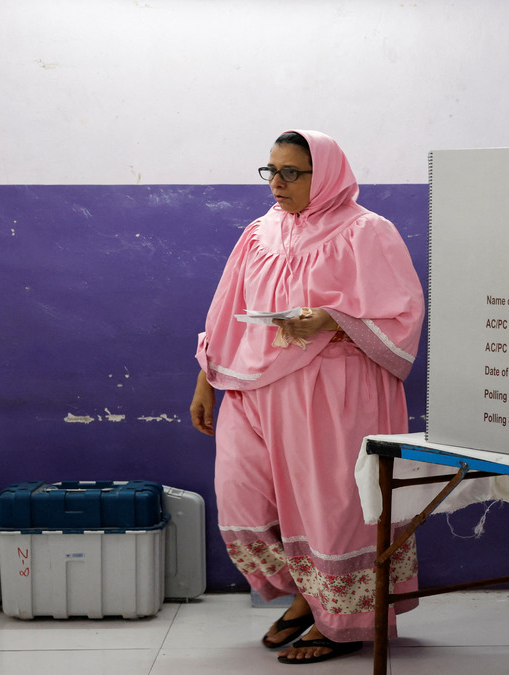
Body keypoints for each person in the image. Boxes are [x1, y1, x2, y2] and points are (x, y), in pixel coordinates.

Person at [190, 129, 425, 664]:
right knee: (240, 493)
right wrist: (206, 377)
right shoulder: (259, 232)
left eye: (290, 172)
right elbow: (226, 307)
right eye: (270, 171)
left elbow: (403, 316)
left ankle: (337, 619)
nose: (276, 184)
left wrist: (330, 318)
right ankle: (306, 593)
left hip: (333, 392)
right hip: (251, 387)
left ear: (327, 174)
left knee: (329, 506)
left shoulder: (368, 232)